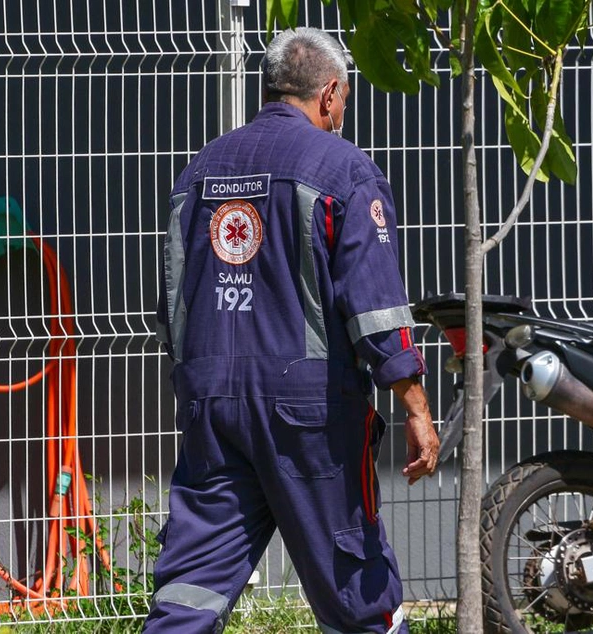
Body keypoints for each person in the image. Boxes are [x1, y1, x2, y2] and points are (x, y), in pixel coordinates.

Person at [147, 27, 439, 634]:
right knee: (355, 582)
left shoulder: (200, 170)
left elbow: (173, 297)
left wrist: (199, 378)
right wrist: (414, 402)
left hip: (211, 404)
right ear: (330, 93)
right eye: (346, 100)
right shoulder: (342, 169)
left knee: (192, 586)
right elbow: (375, 307)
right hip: (310, 414)